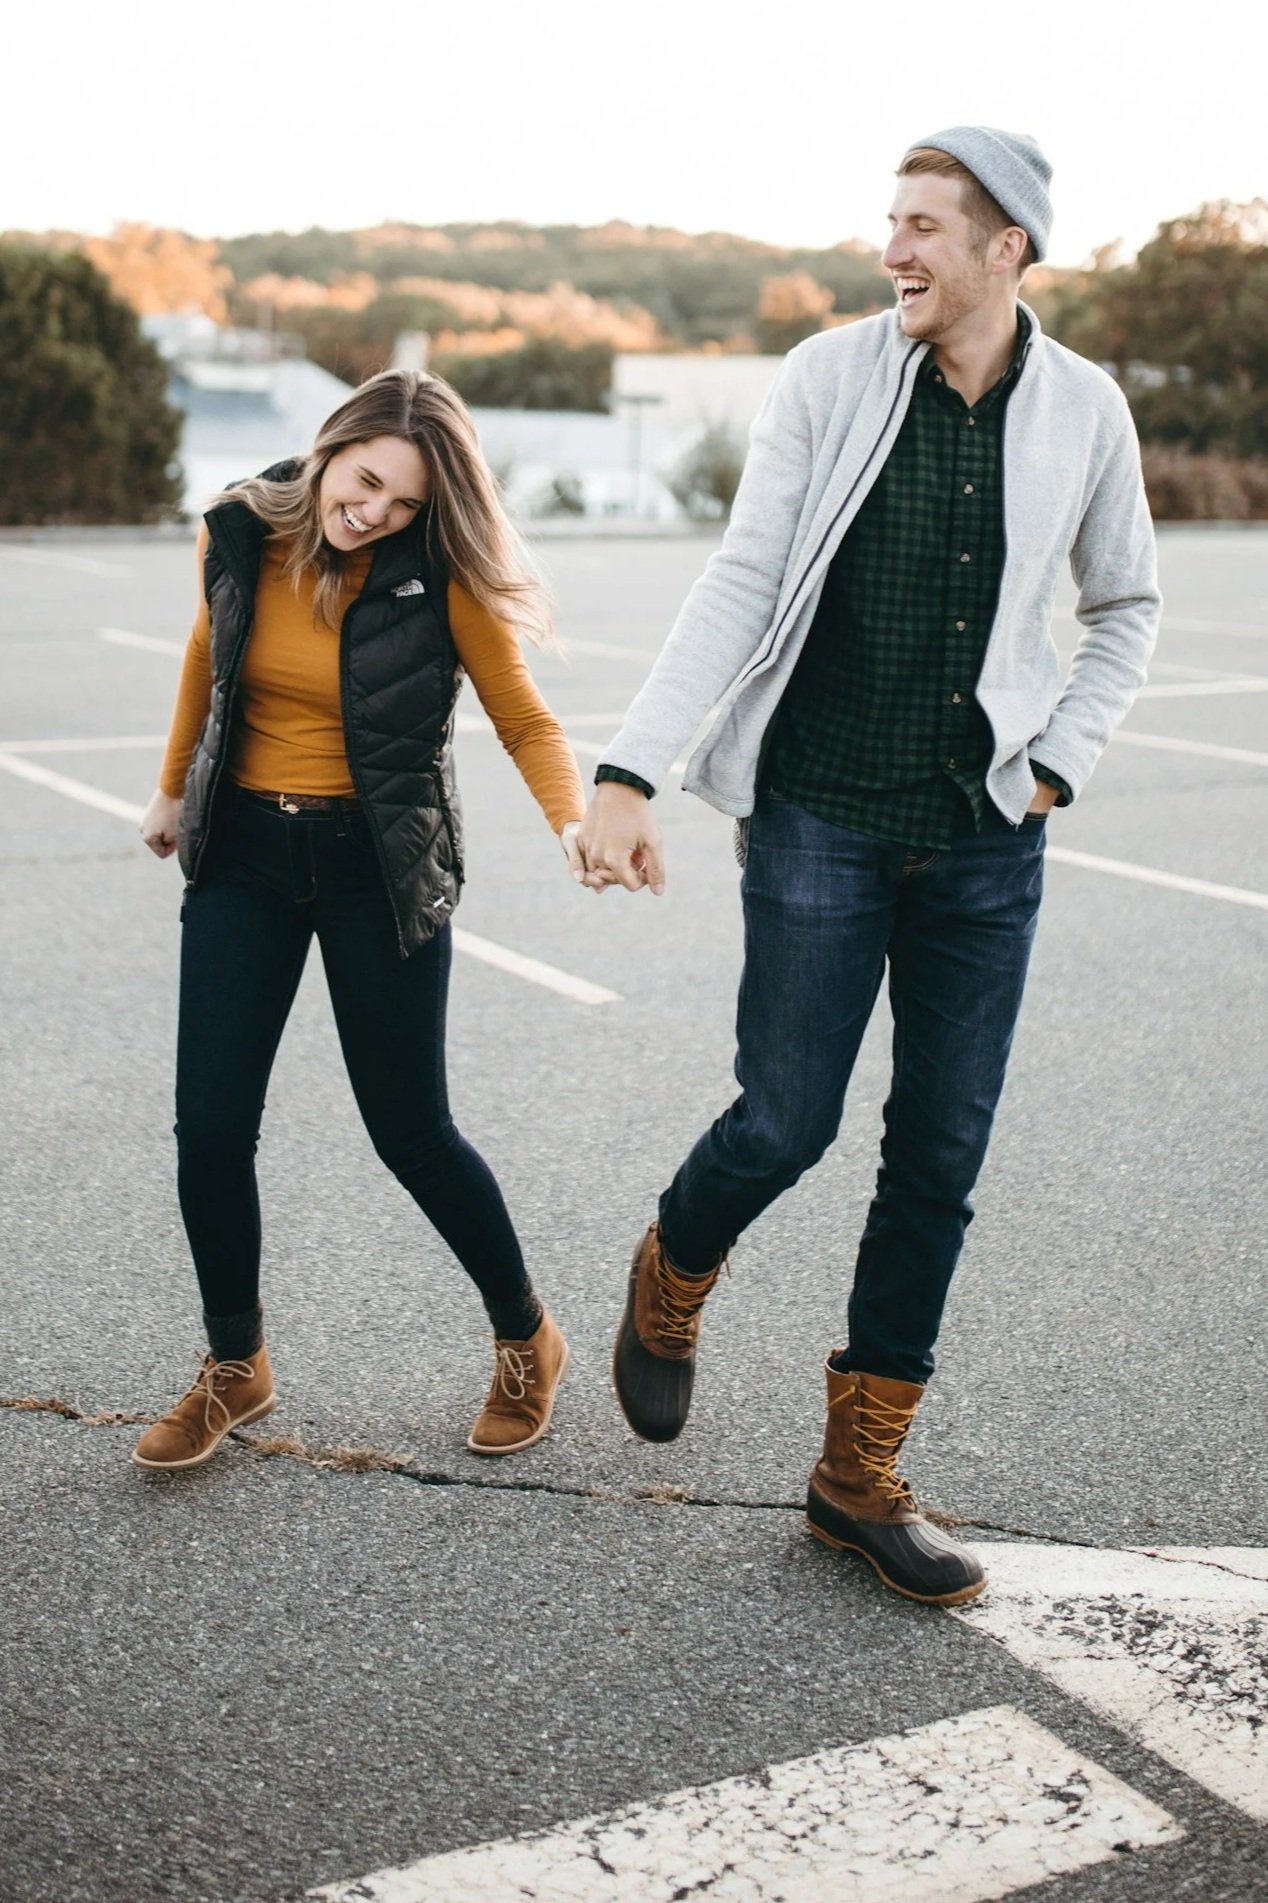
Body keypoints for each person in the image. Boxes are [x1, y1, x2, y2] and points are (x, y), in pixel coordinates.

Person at [576, 128, 1161, 1606]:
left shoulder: (1085, 408)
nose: (893, 249)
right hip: (822, 813)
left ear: (1007, 248)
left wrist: (1053, 760)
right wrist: (632, 769)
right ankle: (674, 1265)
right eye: (890, 221)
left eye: (924, 226)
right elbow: (744, 578)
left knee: (940, 1157)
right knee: (784, 1121)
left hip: (983, 837)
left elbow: (1128, 605)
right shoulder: (831, 378)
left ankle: (857, 1475)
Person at [133, 369, 583, 1471]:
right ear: (332, 448)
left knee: (409, 1129)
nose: (374, 509)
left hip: (373, 864)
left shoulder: (436, 571)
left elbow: (523, 717)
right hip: (242, 849)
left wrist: (573, 820)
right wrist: (171, 786)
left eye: (403, 501)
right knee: (209, 1126)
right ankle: (235, 1365)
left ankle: (527, 1337)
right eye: (367, 479)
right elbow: (206, 652)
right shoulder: (239, 528)